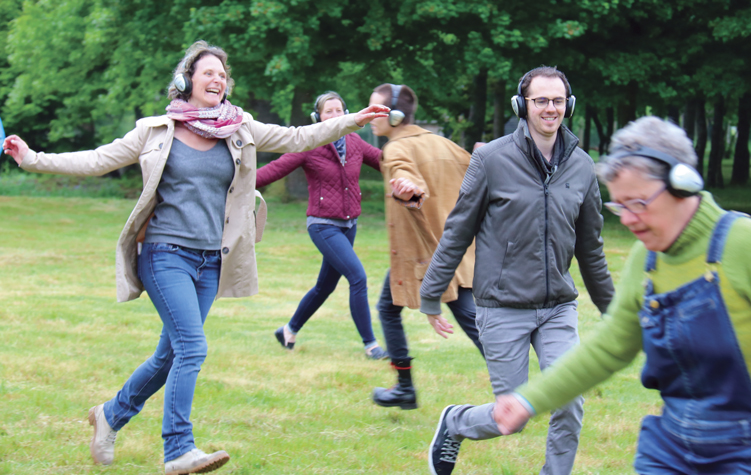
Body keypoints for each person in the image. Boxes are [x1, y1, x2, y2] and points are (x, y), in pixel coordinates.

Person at [2, 41, 389, 474]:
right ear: (186, 81)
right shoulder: (154, 131)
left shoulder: (239, 127)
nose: (217, 80)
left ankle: (110, 415)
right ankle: (178, 449)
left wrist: (352, 121)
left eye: (223, 75)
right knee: (192, 347)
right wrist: (32, 158)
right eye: (208, 73)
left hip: (210, 261)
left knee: (168, 356)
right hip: (164, 254)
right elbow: (96, 160)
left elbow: (298, 137)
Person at [492, 117, 751, 475]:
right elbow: (609, 347)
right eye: (619, 206)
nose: (629, 219)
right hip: (673, 443)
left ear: (683, 184)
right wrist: (529, 399)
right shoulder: (645, 260)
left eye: (638, 203)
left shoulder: (750, 245)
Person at [421, 66, 615, 475]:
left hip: (558, 306)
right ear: (522, 105)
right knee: (512, 417)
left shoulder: (581, 166)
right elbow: (459, 230)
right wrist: (431, 293)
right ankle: (456, 422)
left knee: (570, 398)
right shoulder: (491, 159)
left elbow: (591, 247)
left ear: (569, 105)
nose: (550, 108)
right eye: (541, 100)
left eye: (558, 100)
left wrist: (612, 308)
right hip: (502, 306)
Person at [367, 83, 485, 411]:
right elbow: (477, 171)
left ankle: (520, 388)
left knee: (474, 323)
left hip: (428, 251)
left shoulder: (395, 150)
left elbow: (409, 182)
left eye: (377, 110)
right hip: (455, 249)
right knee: (388, 306)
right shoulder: (441, 143)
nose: (370, 117)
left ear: (396, 115)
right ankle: (404, 386)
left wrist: (410, 190)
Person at [256, 91, 388, 359]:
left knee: (325, 286)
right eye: (328, 111)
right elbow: (274, 169)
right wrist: (233, 183)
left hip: (349, 224)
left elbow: (386, 162)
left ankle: (288, 331)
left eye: (339, 110)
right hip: (323, 225)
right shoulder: (309, 145)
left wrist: (414, 160)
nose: (335, 116)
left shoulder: (355, 141)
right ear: (318, 117)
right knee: (358, 277)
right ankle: (371, 345)